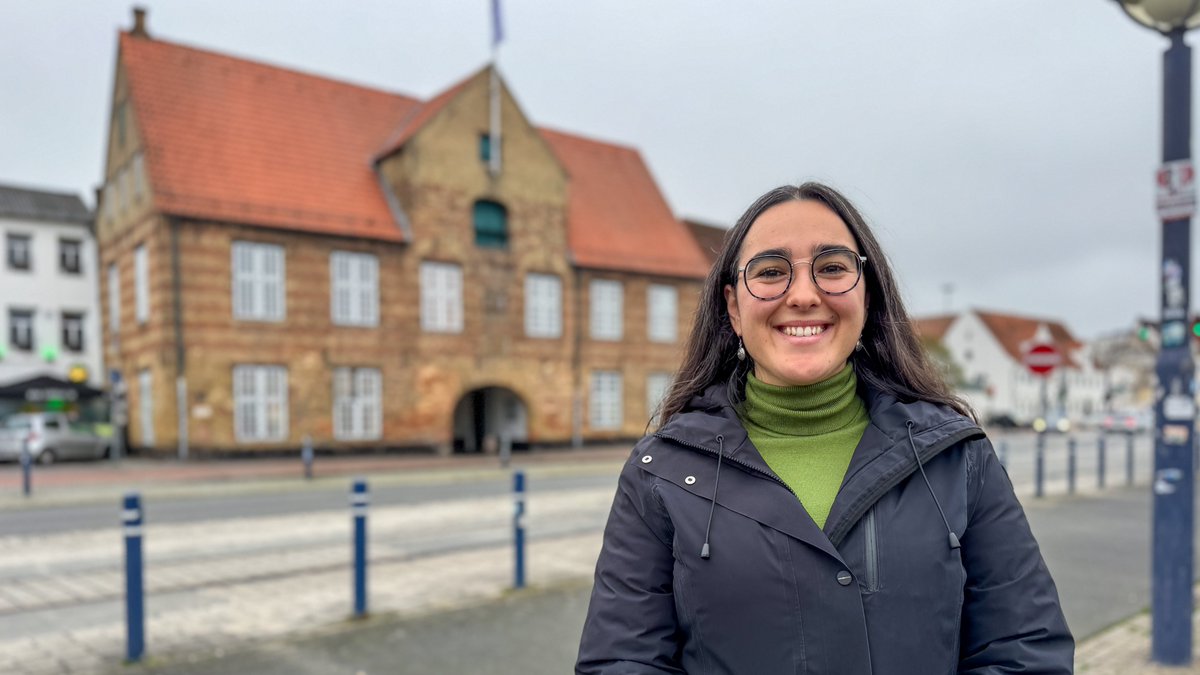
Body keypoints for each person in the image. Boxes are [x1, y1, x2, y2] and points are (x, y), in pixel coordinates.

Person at [576, 182, 1073, 674]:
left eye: (832, 268)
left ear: (867, 294)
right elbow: (623, 663)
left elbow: (1024, 652)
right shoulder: (660, 473)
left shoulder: (955, 458)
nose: (804, 295)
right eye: (771, 272)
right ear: (733, 308)